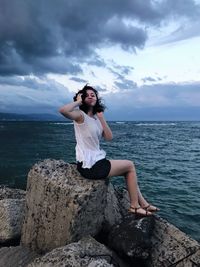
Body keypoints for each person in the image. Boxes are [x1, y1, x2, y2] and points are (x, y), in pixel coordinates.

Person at [59, 84, 159, 216]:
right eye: (86, 95)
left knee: (127, 171)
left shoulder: (95, 118)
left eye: (93, 95)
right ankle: (134, 206)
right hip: (89, 165)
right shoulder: (80, 115)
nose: (90, 96)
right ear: (82, 98)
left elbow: (109, 137)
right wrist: (78, 101)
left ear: (96, 99)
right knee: (130, 166)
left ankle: (144, 203)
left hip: (96, 161)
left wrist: (101, 118)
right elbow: (63, 110)